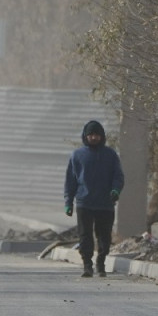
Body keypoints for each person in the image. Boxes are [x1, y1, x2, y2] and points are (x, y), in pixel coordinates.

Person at [63, 119, 125, 278]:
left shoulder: (110, 155)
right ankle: (87, 265)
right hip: (84, 202)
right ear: (85, 136)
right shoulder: (77, 155)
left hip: (105, 203)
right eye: (91, 135)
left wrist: (116, 190)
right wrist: (68, 202)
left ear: (102, 136)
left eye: (97, 135)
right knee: (85, 235)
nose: (94, 138)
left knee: (104, 236)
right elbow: (71, 180)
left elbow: (118, 176)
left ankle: (101, 262)